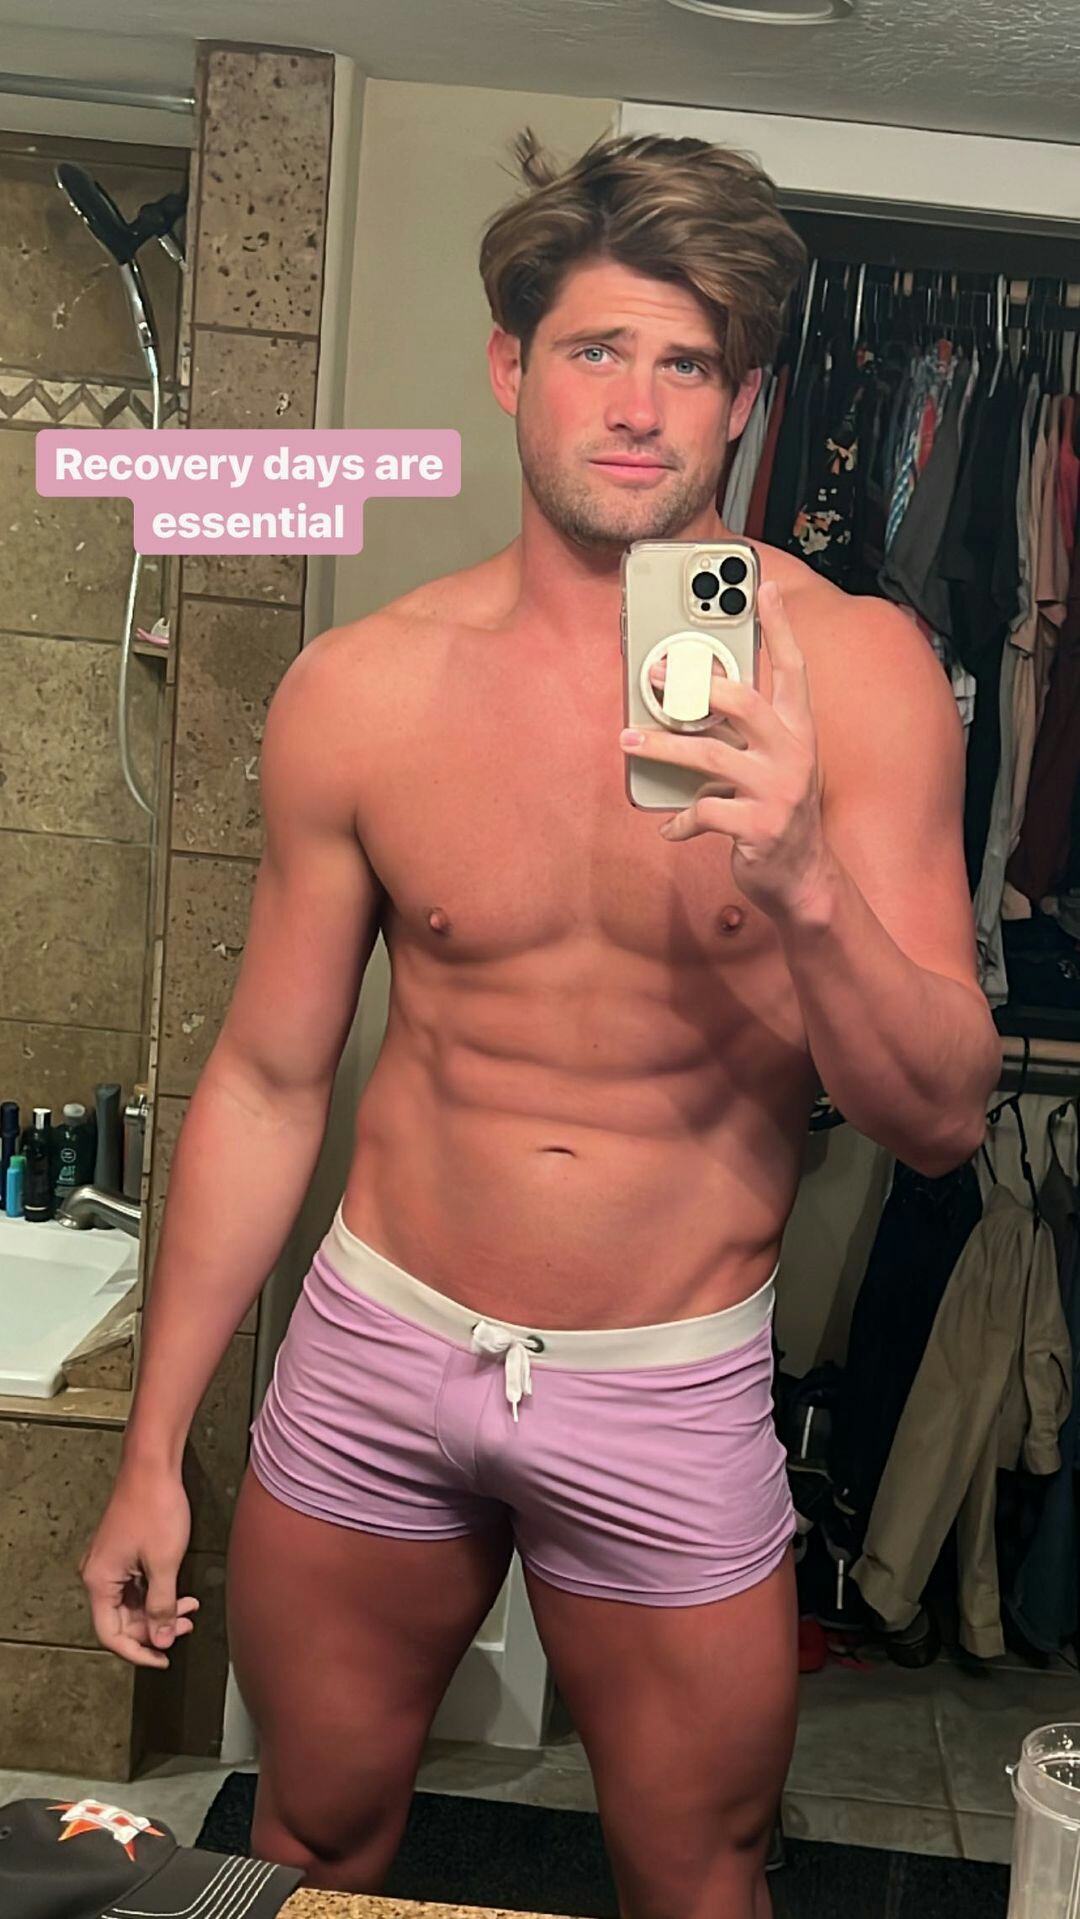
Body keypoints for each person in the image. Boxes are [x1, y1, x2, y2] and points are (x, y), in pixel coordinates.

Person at [80, 130, 1003, 1919]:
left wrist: (807, 880)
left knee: (697, 1877)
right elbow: (268, 1080)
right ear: (512, 367)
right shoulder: (363, 689)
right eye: (597, 350)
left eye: (688, 364)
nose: (639, 406)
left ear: (746, 400)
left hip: (665, 1380)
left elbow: (945, 1116)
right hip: (378, 1349)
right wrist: (153, 1444)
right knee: (312, 1838)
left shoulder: (862, 675)